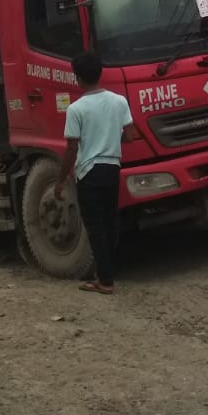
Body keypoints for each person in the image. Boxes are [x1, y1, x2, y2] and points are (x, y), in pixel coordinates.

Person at [54, 50, 139, 294]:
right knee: (110, 222)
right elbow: (131, 135)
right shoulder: (119, 101)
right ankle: (107, 271)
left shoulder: (76, 109)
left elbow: (71, 148)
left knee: (95, 226)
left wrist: (60, 181)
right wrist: (110, 138)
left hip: (88, 172)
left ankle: (105, 281)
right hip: (112, 168)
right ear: (100, 74)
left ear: (78, 78)